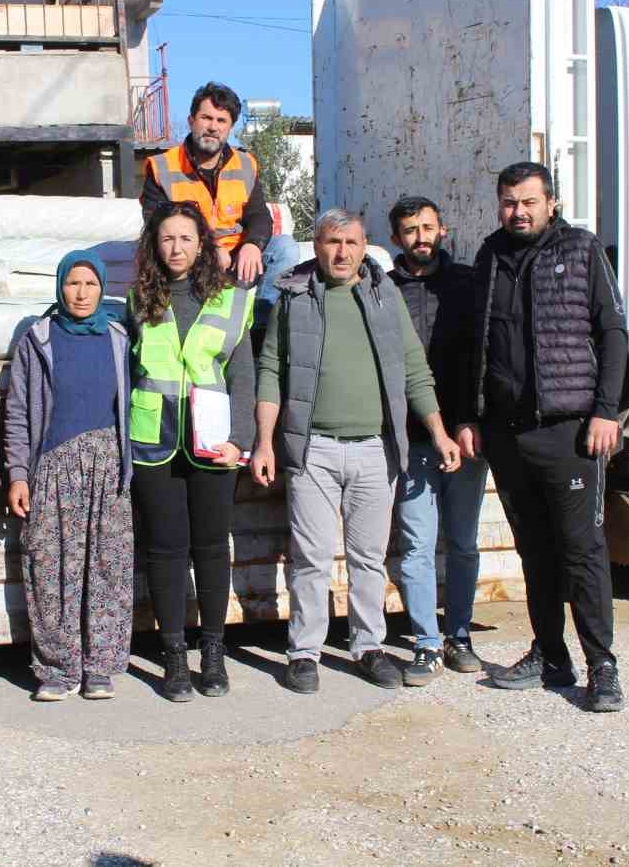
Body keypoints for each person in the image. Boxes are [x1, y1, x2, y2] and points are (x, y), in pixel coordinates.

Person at [253, 208, 462, 694]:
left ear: (364, 247)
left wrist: (438, 431)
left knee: (368, 557)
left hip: (374, 449)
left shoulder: (385, 296)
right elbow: (270, 371)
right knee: (311, 557)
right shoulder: (294, 297)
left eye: (351, 242)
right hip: (312, 450)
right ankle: (304, 653)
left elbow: (414, 369)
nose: (342, 252)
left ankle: (368, 647)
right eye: (332, 242)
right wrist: (264, 442)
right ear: (317, 246)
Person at [456, 161, 628, 713]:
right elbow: (475, 343)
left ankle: (602, 666)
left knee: (582, 551)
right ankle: (550, 655)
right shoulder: (490, 255)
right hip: (508, 434)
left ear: (551, 202)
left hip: (569, 431)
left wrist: (605, 411)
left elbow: (613, 331)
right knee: (534, 551)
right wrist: (470, 415)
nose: (518, 211)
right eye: (509, 202)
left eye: (529, 201)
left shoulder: (581, 250)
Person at [127, 201, 256, 702]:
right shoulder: (138, 299)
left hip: (213, 441)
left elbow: (242, 375)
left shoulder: (231, 299)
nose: (176, 247)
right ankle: (174, 657)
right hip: (153, 440)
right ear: (154, 245)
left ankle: (214, 653)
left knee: (211, 547)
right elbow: (128, 372)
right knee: (165, 549)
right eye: (167, 238)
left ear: (202, 244)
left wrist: (240, 440)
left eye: (185, 238)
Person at [3, 249, 134, 702]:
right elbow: (17, 412)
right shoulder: (38, 339)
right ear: (60, 287)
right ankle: (58, 668)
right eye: (73, 283)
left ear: (102, 289)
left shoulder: (118, 338)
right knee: (50, 566)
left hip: (108, 465)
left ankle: (100, 666)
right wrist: (18, 474)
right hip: (53, 468)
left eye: (90, 284)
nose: (81, 293)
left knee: (107, 566)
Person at [386, 196, 491, 685]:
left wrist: (471, 419)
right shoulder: (383, 290)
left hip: (465, 435)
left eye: (428, 228)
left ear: (442, 231)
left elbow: (484, 358)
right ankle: (427, 642)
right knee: (417, 544)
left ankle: (460, 635)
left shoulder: (467, 284)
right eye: (410, 230)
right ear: (396, 238)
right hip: (411, 439)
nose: (420, 237)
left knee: (463, 542)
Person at [140, 81, 273, 286]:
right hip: (189, 254)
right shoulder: (161, 167)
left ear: (230, 127)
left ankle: (262, 307)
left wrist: (253, 245)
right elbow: (156, 224)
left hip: (236, 254)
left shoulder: (246, 164)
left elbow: (259, 215)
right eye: (206, 118)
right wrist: (210, 249)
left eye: (221, 120)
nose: (213, 127)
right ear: (191, 120)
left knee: (285, 248)